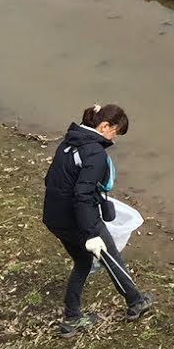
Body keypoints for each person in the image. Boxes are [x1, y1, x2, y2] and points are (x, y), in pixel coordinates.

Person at [41, 103, 154, 335]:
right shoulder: (95, 153)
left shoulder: (69, 142)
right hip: (80, 221)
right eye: (115, 132)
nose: (115, 139)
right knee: (112, 258)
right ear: (104, 126)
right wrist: (92, 234)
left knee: (83, 262)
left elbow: (49, 179)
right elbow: (82, 195)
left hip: (54, 217)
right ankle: (136, 303)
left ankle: (72, 318)